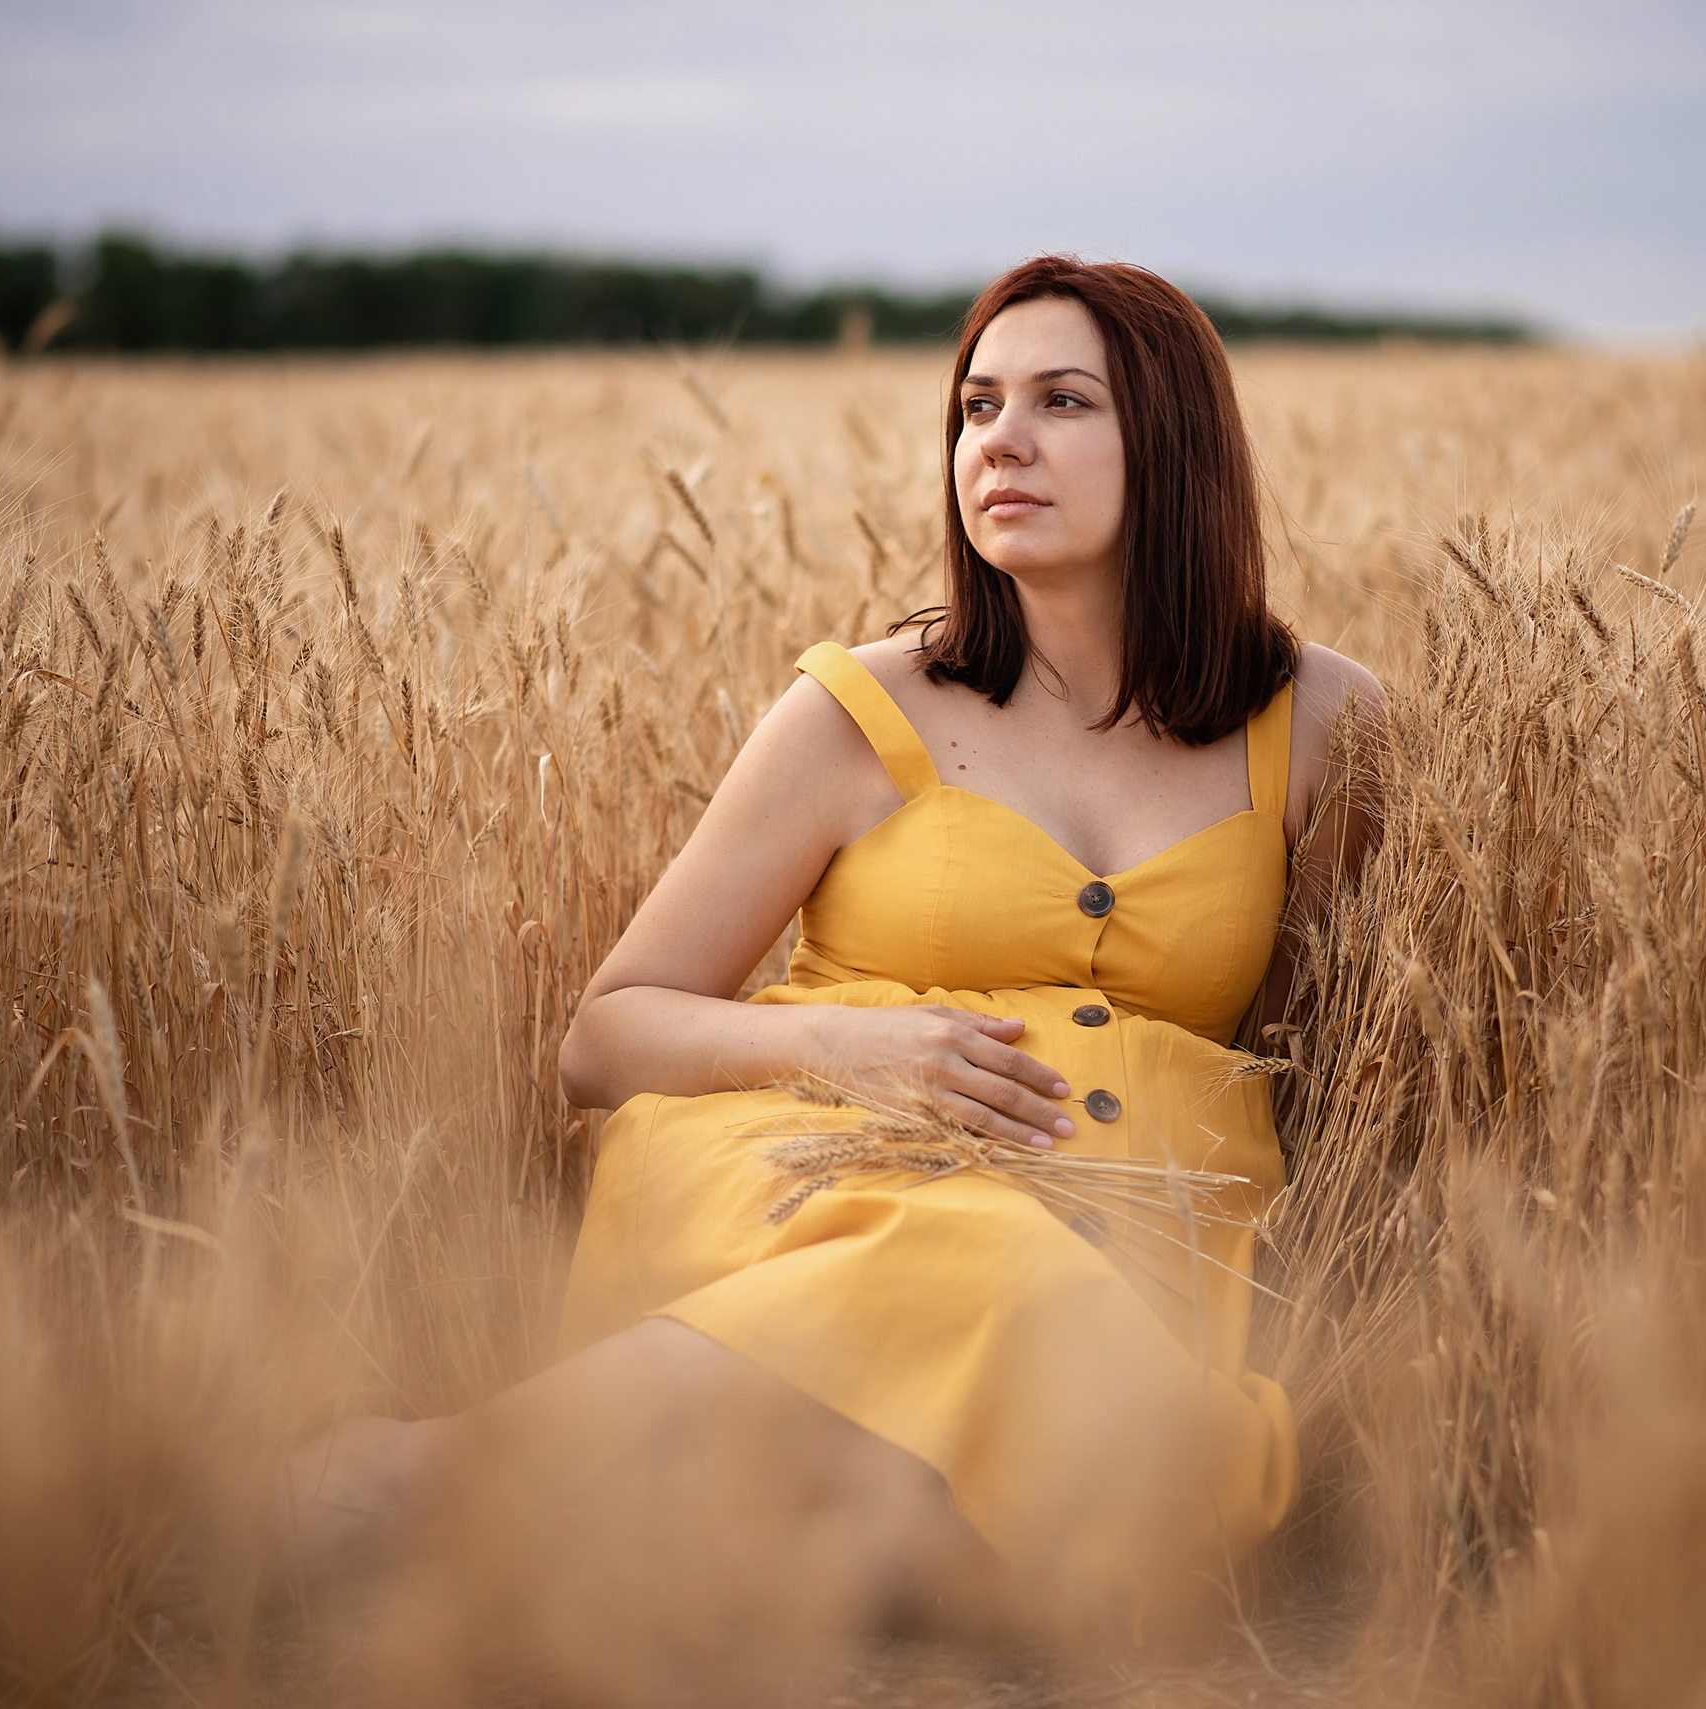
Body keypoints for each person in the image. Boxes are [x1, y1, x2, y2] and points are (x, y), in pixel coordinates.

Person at [277, 256, 1383, 1685]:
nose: (1001, 439)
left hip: (1145, 1244)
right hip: (832, 1168)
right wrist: (857, 1047)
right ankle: (420, 1482)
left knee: (1111, 1507)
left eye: (1061, 401)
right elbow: (603, 1036)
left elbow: (1332, 1047)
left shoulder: (1321, 723)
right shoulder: (859, 709)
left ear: (1173, 439)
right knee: (982, 1266)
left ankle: (619, 1542)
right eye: (978, 405)